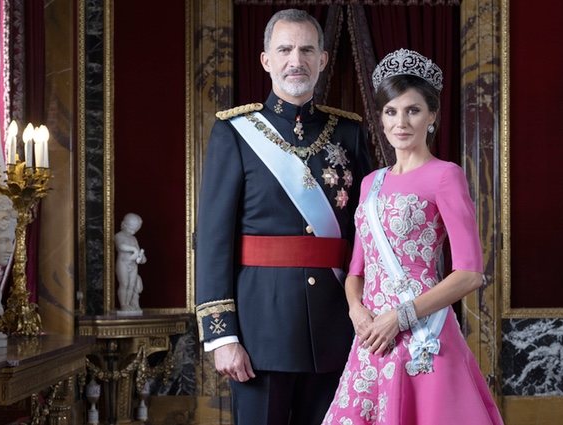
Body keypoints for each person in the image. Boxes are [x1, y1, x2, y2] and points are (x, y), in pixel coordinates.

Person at [195, 8, 371, 425]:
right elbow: (213, 240)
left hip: (335, 327)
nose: (297, 60)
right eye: (286, 49)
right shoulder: (235, 132)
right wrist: (222, 335)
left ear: (322, 60)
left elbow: (367, 232)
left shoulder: (349, 133)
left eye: (307, 49)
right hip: (260, 333)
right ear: (266, 60)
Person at [322, 49, 504, 424]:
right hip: (373, 338)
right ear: (381, 116)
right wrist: (357, 311)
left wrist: (400, 317)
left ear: (432, 116)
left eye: (413, 110)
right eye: (391, 111)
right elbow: (356, 270)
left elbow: (470, 273)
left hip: (423, 334)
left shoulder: (445, 175)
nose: (400, 122)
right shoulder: (371, 183)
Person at [115, 213, 146, 312]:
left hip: (133, 265)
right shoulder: (118, 236)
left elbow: (138, 251)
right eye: (131, 229)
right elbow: (121, 246)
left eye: (136, 229)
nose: (133, 231)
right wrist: (133, 249)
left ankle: (129, 304)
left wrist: (141, 258)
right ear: (124, 225)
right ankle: (124, 304)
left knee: (132, 285)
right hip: (123, 264)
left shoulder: (134, 238)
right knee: (124, 283)